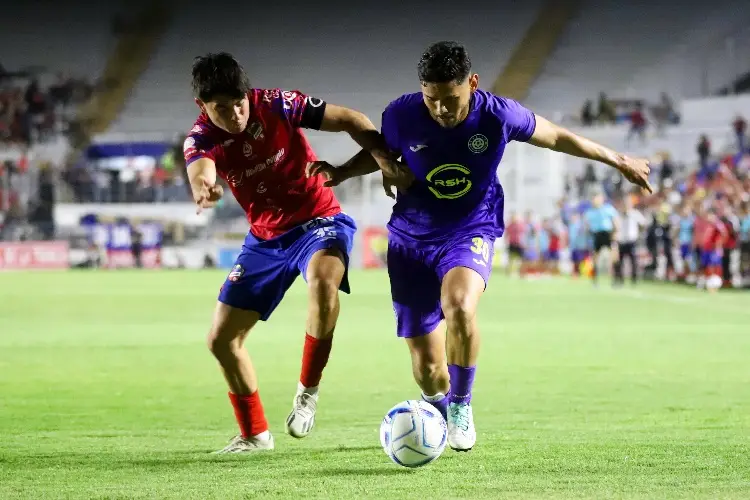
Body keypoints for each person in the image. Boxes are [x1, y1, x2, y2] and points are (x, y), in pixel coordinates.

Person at [312, 41, 651, 452]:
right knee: (427, 369)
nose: (440, 109)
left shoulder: (498, 114)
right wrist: (345, 172)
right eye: (431, 99)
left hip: (471, 226)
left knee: (459, 305)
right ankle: (436, 406)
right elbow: (383, 151)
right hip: (411, 236)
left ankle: (461, 405)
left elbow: (557, 136)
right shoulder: (401, 113)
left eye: (450, 99)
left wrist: (618, 160)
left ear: (472, 83)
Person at [184, 53, 403, 454]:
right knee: (220, 340)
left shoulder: (276, 104)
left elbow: (353, 119)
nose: (235, 114)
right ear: (203, 106)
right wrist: (203, 187)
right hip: (266, 239)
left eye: (239, 103)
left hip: (319, 219)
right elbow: (201, 167)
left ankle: (307, 393)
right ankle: (254, 435)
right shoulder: (201, 137)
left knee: (323, 282)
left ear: (247, 94)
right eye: (221, 108)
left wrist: (384, 161)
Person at [585, 193, 620, 286]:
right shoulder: (590, 212)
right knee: (595, 259)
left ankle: (616, 280)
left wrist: (615, 234)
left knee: (614, 257)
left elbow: (615, 222)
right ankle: (595, 281)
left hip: (608, 234)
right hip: (597, 235)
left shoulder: (608, 209)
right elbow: (588, 226)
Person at [614, 195, 646, 285]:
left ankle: (634, 279)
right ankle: (620, 279)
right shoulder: (618, 214)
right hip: (621, 240)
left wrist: (639, 233)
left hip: (631, 241)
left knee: (633, 261)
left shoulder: (635, 214)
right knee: (620, 262)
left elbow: (643, 223)